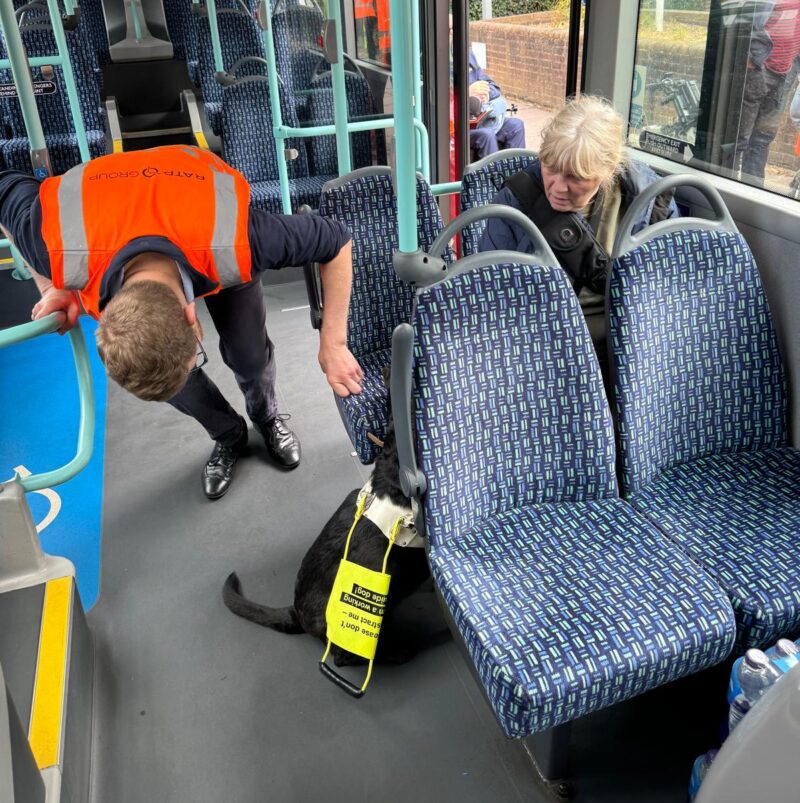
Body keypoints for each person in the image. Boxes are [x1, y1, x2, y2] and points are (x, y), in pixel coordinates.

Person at [0, 145, 363, 500]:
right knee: (172, 376)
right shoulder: (52, 245)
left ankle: (265, 417)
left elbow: (336, 240)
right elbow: (5, 186)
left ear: (192, 317)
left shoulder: (241, 241)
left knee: (249, 355)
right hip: (110, 208)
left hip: (200, 216)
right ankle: (229, 435)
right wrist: (51, 285)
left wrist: (333, 343)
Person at [479, 96, 678, 378]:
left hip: (631, 346)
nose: (558, 187)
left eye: (575, 176)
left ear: (608, 170)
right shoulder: (514, 204)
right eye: (550, 167)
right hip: (539, 349)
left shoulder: (652, 202)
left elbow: (666, 291)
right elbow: (490, 297)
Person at [728, 0, 800, 185]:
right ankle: (727, 189)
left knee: (762, 139)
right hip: (759, 69)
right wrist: (751, 61)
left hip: (785, 73)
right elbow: (738, 19)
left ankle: (752, 190)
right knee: (739, 138)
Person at [468, 46, 526, 161]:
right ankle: (492, 178)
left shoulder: (466, 54)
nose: (452, 33)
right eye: (449, 30)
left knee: (516, 125)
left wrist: (485, 93)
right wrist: (467, 92)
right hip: (457, 125)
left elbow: (492, 85)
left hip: (478, 118)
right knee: (487, 135)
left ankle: (516, 176)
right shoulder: (437, 59)